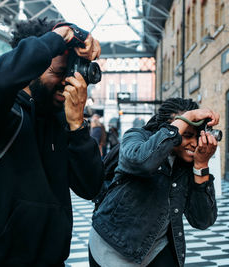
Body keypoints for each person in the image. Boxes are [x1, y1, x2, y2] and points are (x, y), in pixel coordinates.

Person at [0, 18, 104, 266]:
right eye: (59, 72)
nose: (67, 82)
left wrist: (77, 126)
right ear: (30, 67)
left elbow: (91, 187)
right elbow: (1, 79)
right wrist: (62, 34)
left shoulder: (61, 119)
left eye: (71, 73)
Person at [89, 98, 219, 267]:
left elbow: (202, 220)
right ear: (166, 128)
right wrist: (190, 116)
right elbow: (141, 162)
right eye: (187, 134)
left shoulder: (188, 162)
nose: (194, 144)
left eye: (197, 136)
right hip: (114, 245)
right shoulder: (137, 137)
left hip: (157, 247)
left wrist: (201, 165)